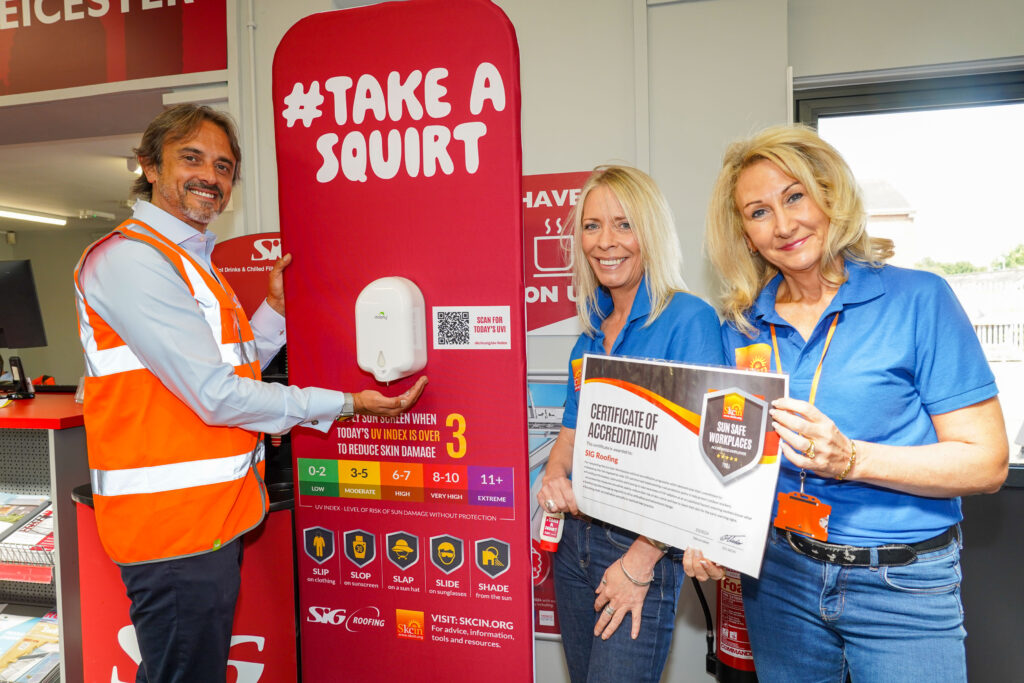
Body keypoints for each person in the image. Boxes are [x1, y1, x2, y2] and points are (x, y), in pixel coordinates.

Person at [73, 103, 427, 683]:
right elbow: (216, 396)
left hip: (210, 520)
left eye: (224, 166)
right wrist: (345, 403)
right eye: (192, 159)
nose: (211, 177)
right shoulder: (132, 260)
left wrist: (277, 311)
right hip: (171, 532)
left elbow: (234, 373)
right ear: (149, 166)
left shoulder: (192, 263)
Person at [689, 124, 1008, 681]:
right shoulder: (738, 327)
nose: (784, 224)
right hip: (780, 579)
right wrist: (709, 528)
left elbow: (986, 463)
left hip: (901, 587)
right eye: (758, 211)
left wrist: (853, 459)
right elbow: (728, 455)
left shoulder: (919, 300)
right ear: (743, 233)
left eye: (795, 196)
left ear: (830, 196)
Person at [536, 165, 725, 682]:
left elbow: (705, 463)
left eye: (624, 224)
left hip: (639, 548)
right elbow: (569, 435)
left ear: (652, 234)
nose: (605, 242)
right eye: (592, 226)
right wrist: (553, 477)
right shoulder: (591, 333)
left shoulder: (689, 320)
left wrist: (639, 564)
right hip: (574, 545)